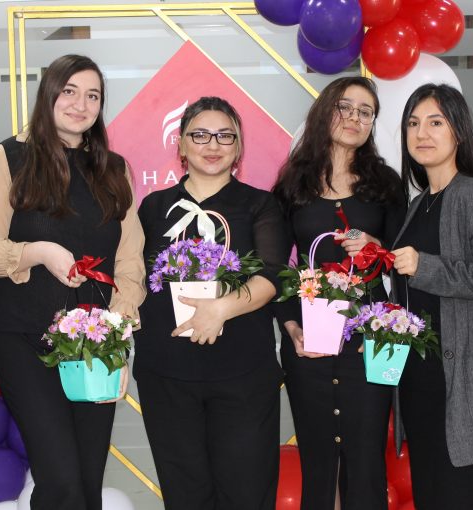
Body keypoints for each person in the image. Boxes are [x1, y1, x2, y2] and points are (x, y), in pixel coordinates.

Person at [0, 54, 145, 510]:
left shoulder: (114, 169)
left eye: (92, 96)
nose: (80, 104)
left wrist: (117, 332)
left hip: (94, 346)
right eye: (69, 91)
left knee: (88, 480)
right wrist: (38, 253)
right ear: (48, 94)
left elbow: (130, 259)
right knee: (61, 479)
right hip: (23, 339)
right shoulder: (11, 156)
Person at [133, 96, 290, 510]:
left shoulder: (260, 204)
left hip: (242, 374)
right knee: (185, 493)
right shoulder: (153, 207)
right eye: (200, 135)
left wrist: (220, 309)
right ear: (181, 145)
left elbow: (272, 275)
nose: (213, 144)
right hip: (167, 373)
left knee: (246, 492)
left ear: (238, 148)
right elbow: (133, 276)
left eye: (225, 136)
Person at [271, 76, 406, 510]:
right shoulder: (292, 184)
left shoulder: (386, 184)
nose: (354, 118)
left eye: (365, 112)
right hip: (309, 340)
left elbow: (404, 262)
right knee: (318, 459)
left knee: (366, 460)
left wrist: (376, 247)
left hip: (371, 341)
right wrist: (290, 326)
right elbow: (276, 267)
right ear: (324, 111)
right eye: (344, 107)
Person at [391, 83, 473, 509]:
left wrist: (424, 266)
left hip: (463, 390)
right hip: (421, 383)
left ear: (459, 132)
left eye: (436, 122)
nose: (422, 133)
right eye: (413, 123)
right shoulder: (419, 204)